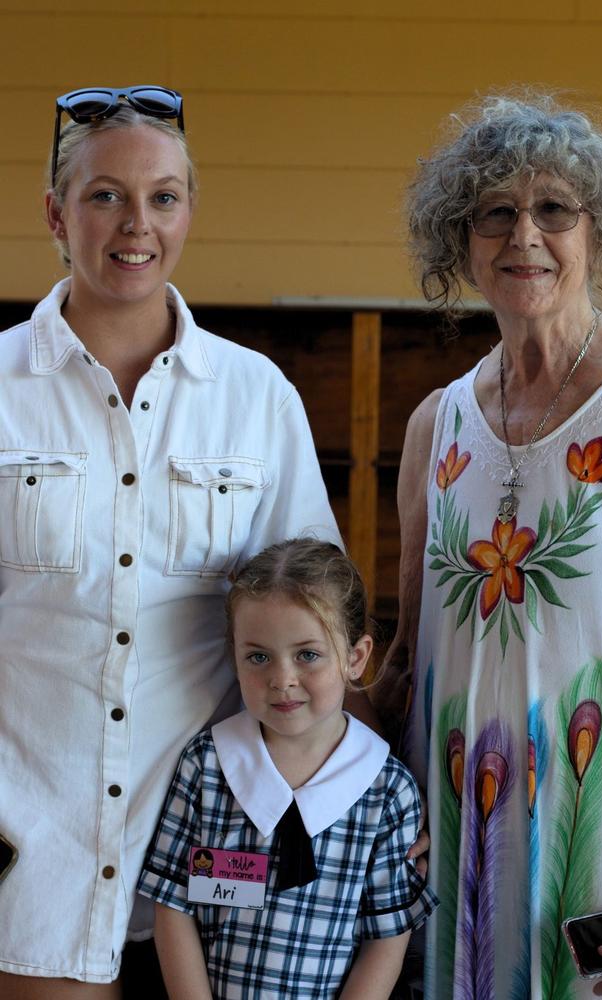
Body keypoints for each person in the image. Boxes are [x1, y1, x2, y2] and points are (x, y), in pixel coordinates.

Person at [0, 87, 341, 998]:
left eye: (163, 197)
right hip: (32, 855)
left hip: (215, 862)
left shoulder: (255, 394)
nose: (135, 224)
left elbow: (318, 620)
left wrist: (346, 792)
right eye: (104, 194)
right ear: (55, 214)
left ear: (190, 210)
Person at [373, 92, 602, 998]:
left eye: (554, 210)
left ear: (597, 231)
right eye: (495, 212)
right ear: (461, 243)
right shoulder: (433, 427)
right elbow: (409, 667)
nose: (523, 235)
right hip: (458, 878)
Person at [138, 538, 437, 999]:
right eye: (258, 656)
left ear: (355, 658)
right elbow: (173, 909)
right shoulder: (206, 767)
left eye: (308, 654)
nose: (282, 679)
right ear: (234, 657)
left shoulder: (387, 791)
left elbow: (386, 938)